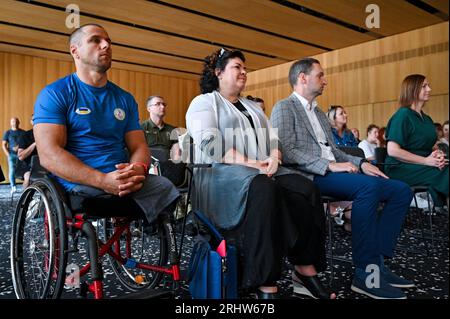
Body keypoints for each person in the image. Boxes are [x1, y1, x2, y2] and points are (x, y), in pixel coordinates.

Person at [187, 48, 335, 299]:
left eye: (245, 68)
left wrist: (274, 158)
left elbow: (273, 140)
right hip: (219, 177)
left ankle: (304, 268)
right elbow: (210, 144)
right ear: (218, 72)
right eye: (237, 67)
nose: (244, 72)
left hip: (260, 172)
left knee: (306, 189)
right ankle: (265, 281)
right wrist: (255, 163)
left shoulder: (252, 107)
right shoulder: (204, 102)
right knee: (266, 189)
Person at [271, 57, 414, 299]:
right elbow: (288, 150)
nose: (325, 80)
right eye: (320, 75)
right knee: (368, 189)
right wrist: (329, 165)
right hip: (310, 174)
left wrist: (361, 163)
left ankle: (376, 263)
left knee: (401, 190)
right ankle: (365, 274)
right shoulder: (284, 107)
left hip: (332, 169)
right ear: (302, 78)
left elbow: (335, 150)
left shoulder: (318, 112)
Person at [33, 24, 179, 226]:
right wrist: (103, 180)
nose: (106, 45)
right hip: (80, 184)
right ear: (74, 50)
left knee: (165, 187)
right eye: (95, 40)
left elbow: (138, 146)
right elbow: (49, 154)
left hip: (122, 179)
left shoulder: (124, 98)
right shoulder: (55, 94)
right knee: (101, 196)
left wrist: (138, 168)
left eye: (109, 41)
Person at [385, 74, 449, 208]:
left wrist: (437, 154)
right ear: (412, 90)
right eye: (424, 86)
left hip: (422, 164)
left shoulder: (427, 118)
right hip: (401, 167)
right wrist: (426, 161)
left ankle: (434, 204)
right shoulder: (402, 115)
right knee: (446, 171)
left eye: (428, 85)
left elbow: (429, 146)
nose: (429, 89)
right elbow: (392, 150)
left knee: (444, 163)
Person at [141, 95, 181, 162]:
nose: (162, 107)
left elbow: (176, 155)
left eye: (164, 104)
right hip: (147, 164)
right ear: (149, 109)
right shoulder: (141, 128)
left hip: (167, 165)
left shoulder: (172, 130)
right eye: (158, 104)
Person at [2, 117, 25, 194]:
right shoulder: (7, 133)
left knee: (24, 170)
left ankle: (25, 186)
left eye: (16, 121)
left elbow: (27, 143)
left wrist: (20, 147)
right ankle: (13, 186)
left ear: (19, 122)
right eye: (13, 121)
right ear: (10, 123)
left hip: (22, 155)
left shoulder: (23, 132)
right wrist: (8, 155)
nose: (14, 123)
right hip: (11, 155)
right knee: (12, 170)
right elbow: (3, 145)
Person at [17, 114, 38, 188]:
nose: (37, 122)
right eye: (34, 120)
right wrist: (35, 144)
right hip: (27, 165)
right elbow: (20, 157)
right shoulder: (25, 135)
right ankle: (26, 198)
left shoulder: (48, 134)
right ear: (31, 122)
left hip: (44, 164)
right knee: (28, 177)